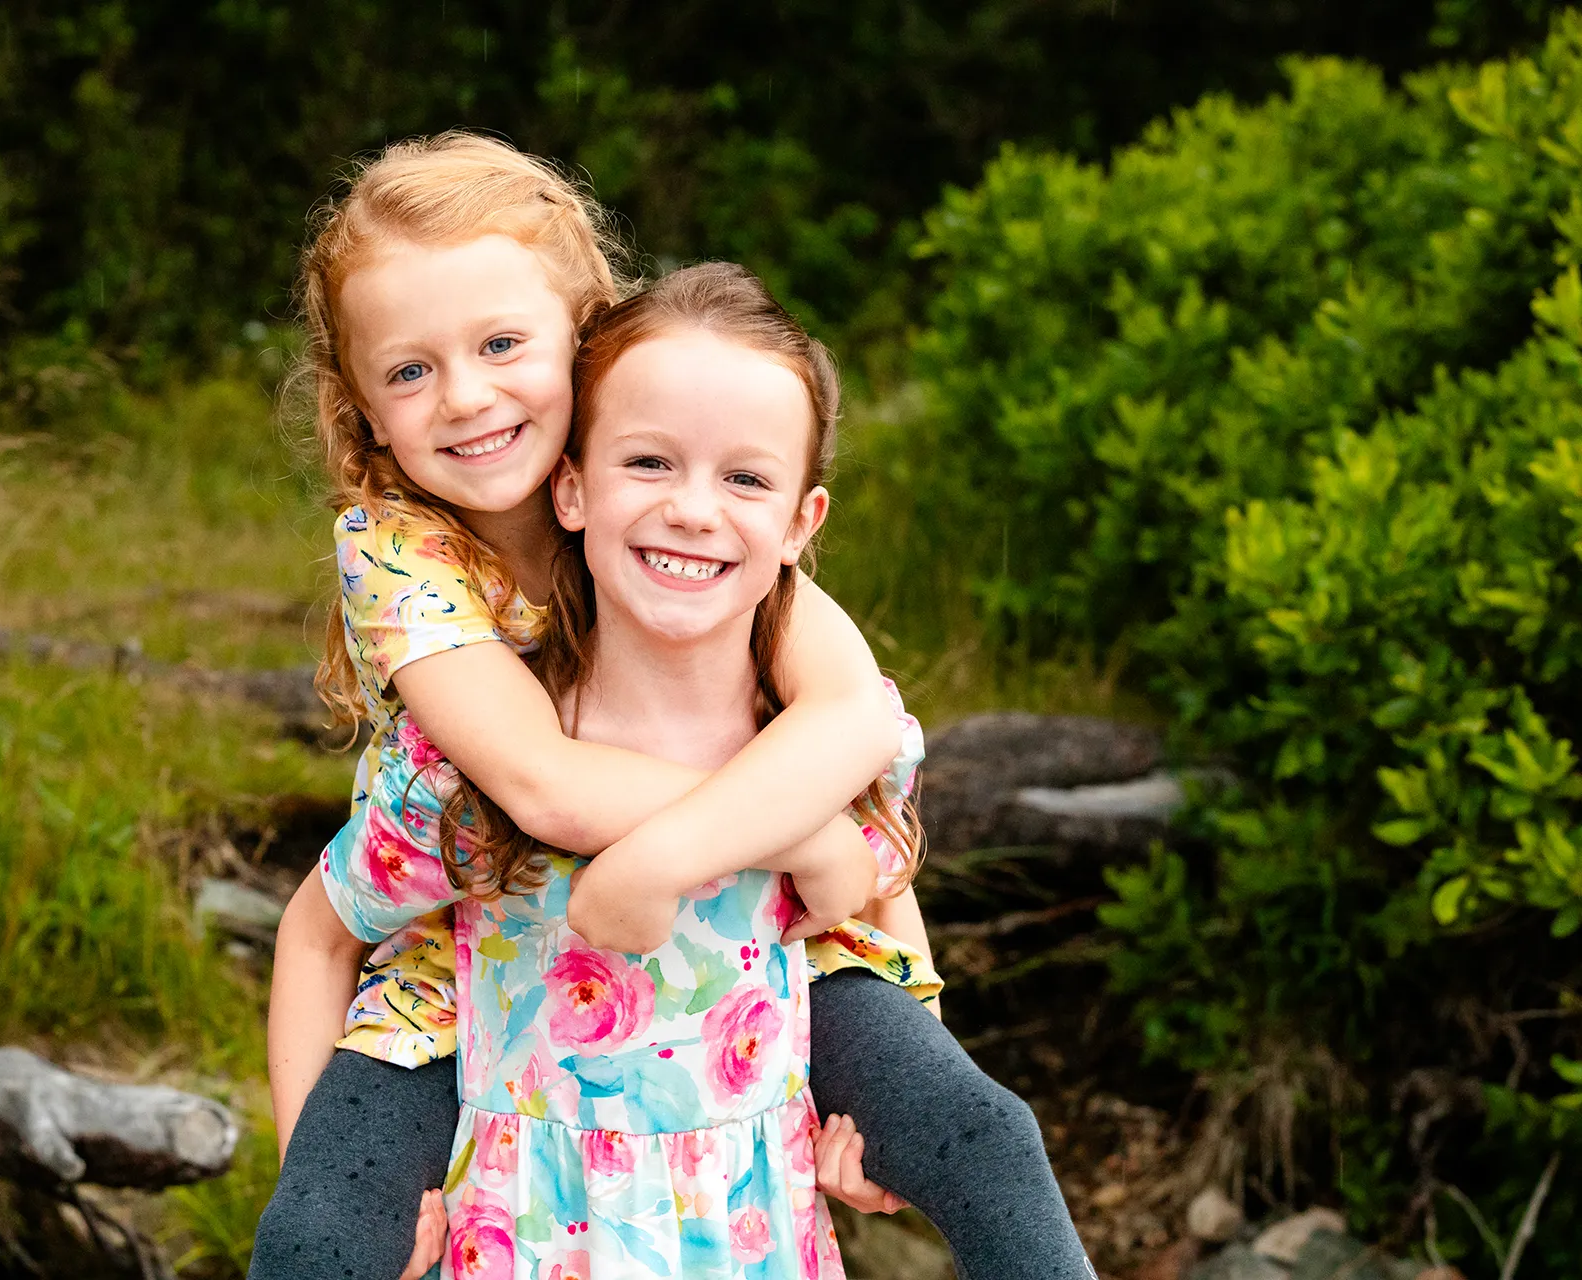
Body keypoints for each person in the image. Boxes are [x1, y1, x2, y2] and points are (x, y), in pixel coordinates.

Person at [250, 134, 1092, 1280]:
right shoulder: (406, 552)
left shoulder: (697, 511)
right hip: (469, 954)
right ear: (363, 406)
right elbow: (538, 780)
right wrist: (797, 829)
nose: (468, 396)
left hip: (757, 949)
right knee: (314, 1242)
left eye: (502, 343)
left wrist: (850, 925)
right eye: (411, 371)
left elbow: (854, 727)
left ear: (586, 341)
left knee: (983, 1138)